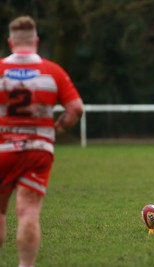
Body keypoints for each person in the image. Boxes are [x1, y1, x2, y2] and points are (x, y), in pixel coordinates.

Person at [0, 16, 84, 266]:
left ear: (10, 42)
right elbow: (76, 109)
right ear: (35, 41)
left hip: (2, 148)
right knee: (28, 212)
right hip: (38, 150)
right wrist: (56, 130)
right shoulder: (52, 71)